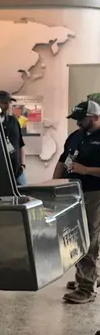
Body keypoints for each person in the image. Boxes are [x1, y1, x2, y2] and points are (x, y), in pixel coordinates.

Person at [54, 100, 100, 304]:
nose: (78, 123)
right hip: (74, 193)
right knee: (75, 237)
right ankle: (87, 276)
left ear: (95, 117)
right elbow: (63, 160)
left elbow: (82, 168)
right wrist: (53, 184)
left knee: (88, 239)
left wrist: (86, 170)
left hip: (94, 194)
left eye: (82, 119)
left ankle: (86, 289)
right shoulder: (76, 136)